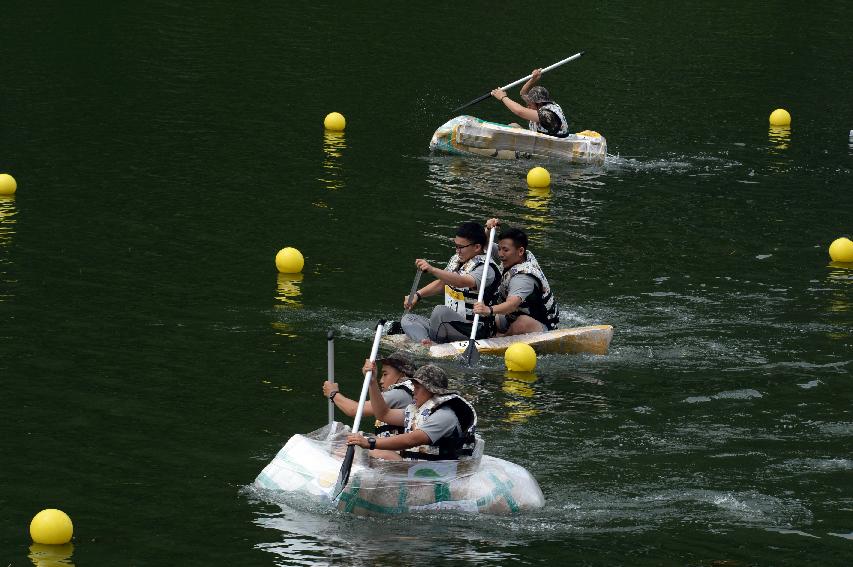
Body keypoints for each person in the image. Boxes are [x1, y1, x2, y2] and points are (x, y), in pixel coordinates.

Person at [346, 364, 477, 461]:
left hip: (441, 474)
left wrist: (370, 443)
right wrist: (372, 383)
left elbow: (411, 440)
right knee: (375, 452)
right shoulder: (416, 411)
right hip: (419, 469)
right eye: (414, 387)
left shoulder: (445, 416)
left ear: (432, 390)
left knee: (378, 452)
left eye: (418, 387)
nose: (414, 392)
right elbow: (383, 414)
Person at [400, 221, 501, 344]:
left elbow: (462, 282)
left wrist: (432, 269)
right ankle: (425, 342)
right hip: (449, 323)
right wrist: (417, 295)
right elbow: (443, 283)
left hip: (474, 329)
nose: (457, 251)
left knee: (440, 311)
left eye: (461, 247)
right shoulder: (456, 259)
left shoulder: (486, 269)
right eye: (456, 246)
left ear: (477, 247)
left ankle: (431, 342)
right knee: (408, 319)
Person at [472, 219, 560, 336]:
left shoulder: (524, 278)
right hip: (513, 315)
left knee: (521, 323)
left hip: (541, 327)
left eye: (505, 250)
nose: (500, 254)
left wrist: (488, 310)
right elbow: (485, 245)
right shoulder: (517, 256)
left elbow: (511, 305)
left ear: (520, 251)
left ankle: (498, 339)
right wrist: (488, 230)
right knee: (489, 316)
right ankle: (493, 334)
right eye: (500, 249)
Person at [322, 351, 416, 437]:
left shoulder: (399, 394)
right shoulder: (409, 392)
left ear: (402, 375)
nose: (381, 380)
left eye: (385, 374)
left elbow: (354, 410)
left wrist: (333, 394)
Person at [490, 68, 570, 138]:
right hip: (542, 142)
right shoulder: (550, 104)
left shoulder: (547, 115)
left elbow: (519, 111)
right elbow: (523, 93)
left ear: (539, 103)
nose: (528, 105)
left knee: (512, 127)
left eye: (530, 103)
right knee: (513, 126)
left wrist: (503, 97)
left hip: (549, 149)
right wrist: (533, 79)